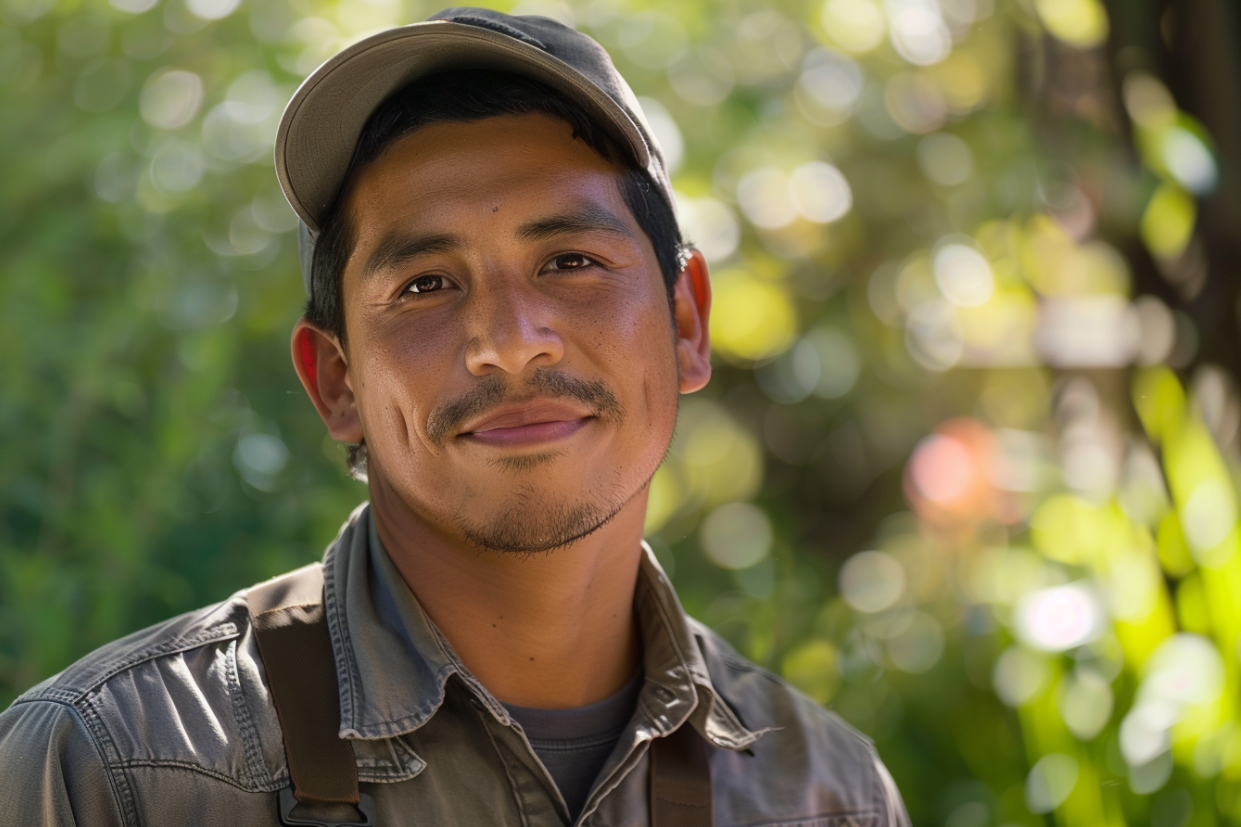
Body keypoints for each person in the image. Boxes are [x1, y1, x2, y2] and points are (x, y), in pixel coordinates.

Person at [0, 8, 909, 826]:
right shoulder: (109, 773)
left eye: (570, 261)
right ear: (337, 382)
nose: (510, 344)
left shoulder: (825, 795)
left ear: (684, 324)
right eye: (425, 284)